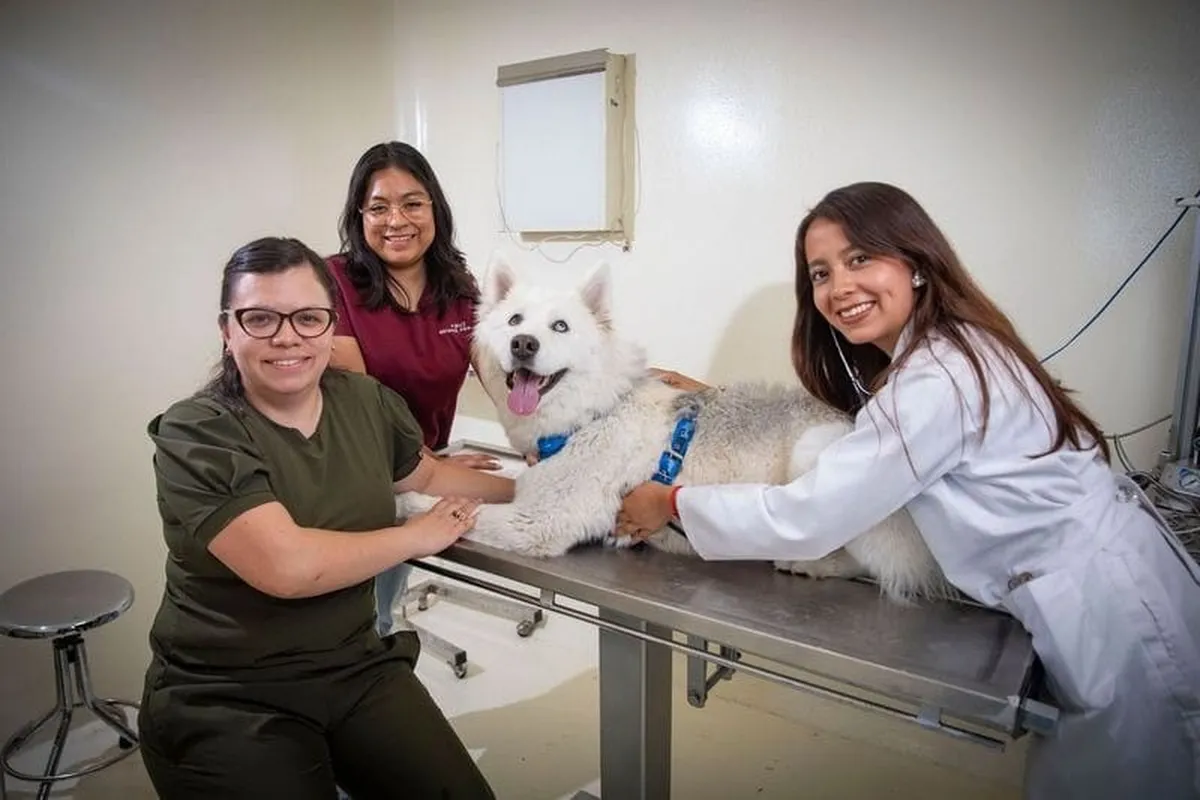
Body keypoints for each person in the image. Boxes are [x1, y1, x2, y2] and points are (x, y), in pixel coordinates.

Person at [616, 182, 1200, 799]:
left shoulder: (935, 379)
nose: (839, 287)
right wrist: (715, 397)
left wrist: (671, 502)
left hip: (1121, 623)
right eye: (820, 273)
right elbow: (873, 445)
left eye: (860, 258)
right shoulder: (954, 349)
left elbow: (811, 516)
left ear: (916, 263)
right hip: (1113, 587)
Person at [140, 236, 513, 799]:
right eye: (260, 318)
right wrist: (414, 537)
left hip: (353, 665)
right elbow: (288, 567)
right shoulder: (198, 431)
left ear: (330, 325)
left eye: (308, 318)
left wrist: (542, 492)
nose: (287, 336)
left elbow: (428, 476)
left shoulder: (365, 401)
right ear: (227, 329)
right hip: (228, 692)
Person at [327, 141, 502, 635]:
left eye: (412, 203)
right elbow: (358, 407)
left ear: (435, 209)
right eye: (378, 207)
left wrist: (545, 448)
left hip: (415, 482)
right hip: (353, 482)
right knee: (348, 622)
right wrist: (436, 466)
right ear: (359, 216)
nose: (396, 220)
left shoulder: (460, 288)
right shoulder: (334, 281)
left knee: (382, 612)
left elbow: (500, 379)